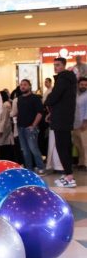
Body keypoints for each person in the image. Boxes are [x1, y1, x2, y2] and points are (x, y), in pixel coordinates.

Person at [45, 57, 77, 188]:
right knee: (65, 146)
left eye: (58, 65)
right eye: (54, 65)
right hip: (64, 117)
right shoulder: (68, 79)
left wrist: (47, 100)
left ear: (64, 65)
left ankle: (69, 177)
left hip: (61, 119)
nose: (55, 67)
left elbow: (54, 96)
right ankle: (68, 173)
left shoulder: (63, 78)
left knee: (62, 147)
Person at [13, 79, 46, 173]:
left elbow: (40, 113)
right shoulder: (19, 99)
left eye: (25, 85)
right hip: (20, 127)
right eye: (21, 85)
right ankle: (29, 168)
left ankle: (41, 167)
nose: (23, 86)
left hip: (31, 128)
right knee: (25, 150)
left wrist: (33, 125)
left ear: (29, 86)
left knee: (33, 148)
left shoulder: (35, 98)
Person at [72, 77, 87, 170]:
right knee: (78, 144)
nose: (84, 86)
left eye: (85, 85)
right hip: (75, 123)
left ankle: (86, 164)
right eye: (82, 84)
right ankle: (81, 163)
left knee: (85, 144)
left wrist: (85, 122)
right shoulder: (76, 94)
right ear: (78, 85)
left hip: (84, 123)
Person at [0, 90, 15, 161]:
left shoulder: (5, 105)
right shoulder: (4, 104)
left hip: (5, 127)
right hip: (5, 127)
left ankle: (4, 159)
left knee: (2, 144)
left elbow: (4, 119)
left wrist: (1, 130)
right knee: (5, 144)